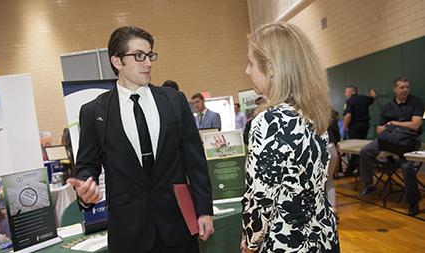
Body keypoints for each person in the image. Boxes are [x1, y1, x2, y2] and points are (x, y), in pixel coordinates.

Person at [67, 26, 214, 253]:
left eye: (150, 55)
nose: (148, 63)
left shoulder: (174, 101)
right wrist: (86, 189)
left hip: (177, 227)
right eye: (139, 56)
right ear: (117, 62)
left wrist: (204, 210)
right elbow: (87, 165)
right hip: (128, 233)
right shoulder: (94, 112)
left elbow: (195, 160)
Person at [241, 22, 339, 253]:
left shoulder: (269, 121)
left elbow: (261, 199)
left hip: (286, 243)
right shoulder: (315, 113)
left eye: (250, 63)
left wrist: (251, 242)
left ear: (272, 67)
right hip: (323, 237)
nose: (247, 70)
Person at [359, 77, 424, 216]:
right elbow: (379, 130)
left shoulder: (417, 102)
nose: (405, 89)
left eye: (407, 87)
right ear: (395, 89)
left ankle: (413, 202)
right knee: (366, 151)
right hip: (389, 140)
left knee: (407, 167)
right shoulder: (388, 106)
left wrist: (393, 124)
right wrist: (392, 127)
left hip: (407, 141)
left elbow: (416, 125)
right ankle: (368, 184)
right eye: (402, 87)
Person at [342, 85, 377, 174]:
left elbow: (348, 115)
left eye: (346, 92)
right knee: (362, 147)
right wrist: (372, 91)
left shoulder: (349, 101)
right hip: (365, 125)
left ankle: (356, 169)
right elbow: (373, 97)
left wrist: (345, 127)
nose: (345, 94)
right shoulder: (365, 98)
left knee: (354, 149)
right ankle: (356, 168)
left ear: (351, 91)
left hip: (354, 127)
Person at [327, 109, 341, 212]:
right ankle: (333, 209)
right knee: (329, 179)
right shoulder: (330, 111)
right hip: (331, 147)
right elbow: (337, 134)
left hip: (318, 148)